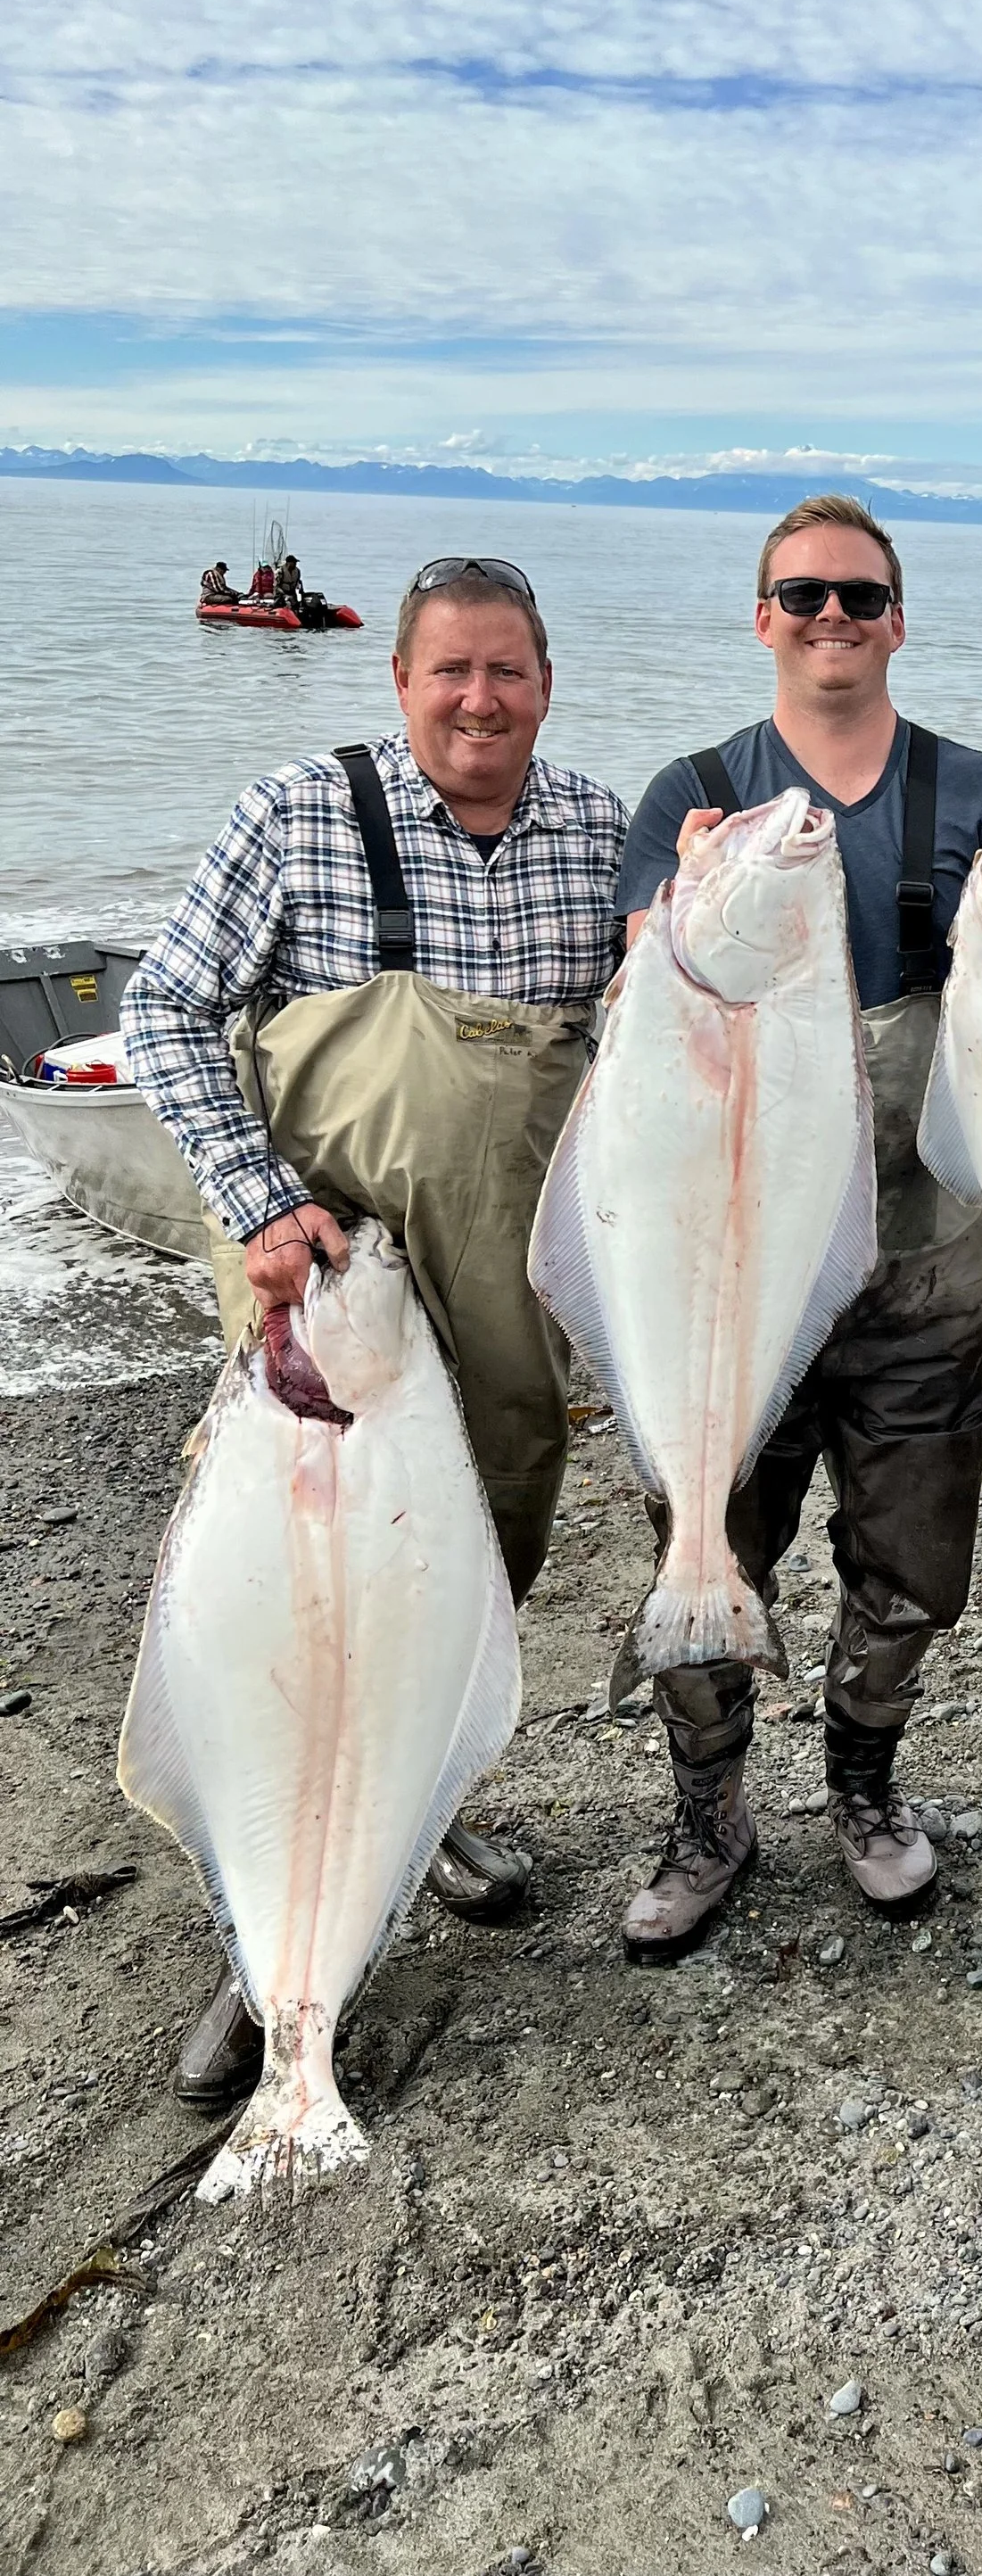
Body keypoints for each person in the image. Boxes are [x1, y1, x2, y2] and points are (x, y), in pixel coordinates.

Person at [125, 556, 628, 2096]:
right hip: (323, 1296)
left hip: (505, 1291)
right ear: (399, 680)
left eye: (509, 672)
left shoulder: (603, 835)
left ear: (548, 680)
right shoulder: (299, 815)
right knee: (288, 1602)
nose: (480, 700)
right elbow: (161, 1010)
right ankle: (263, 1945)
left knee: (478, 1558)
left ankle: (420, 1810)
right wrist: (261, 1199)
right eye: (449, 672)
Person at [613, 496, 982, 1951]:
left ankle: (863, 1778)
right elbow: (639, 994)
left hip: (925, 1266)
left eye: (858, 596)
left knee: (915, 1567)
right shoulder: (692, 795)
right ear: (759, 617)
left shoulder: (979, 792)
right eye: (801, 596)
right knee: (703, 1538)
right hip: (730, 1276)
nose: (829, 618)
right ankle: (710, 1810)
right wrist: (677, 911)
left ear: (898, 618)